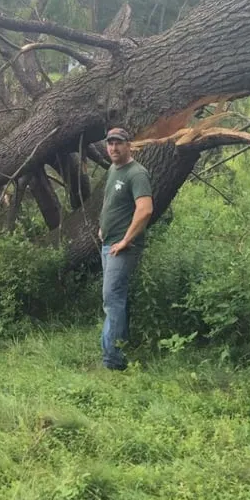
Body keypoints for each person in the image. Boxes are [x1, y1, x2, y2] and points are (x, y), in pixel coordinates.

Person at [97, 127, 153, 370]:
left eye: (118, 143)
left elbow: (145, 209)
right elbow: (110, 202)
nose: (113, 148)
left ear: (129, 145)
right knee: (116, 299)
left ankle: (113, 358)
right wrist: (102, 228)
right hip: (108, 244)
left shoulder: (137, 173)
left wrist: (126, 240)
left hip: (123, 247)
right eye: (110, 143)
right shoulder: (113, 169)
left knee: (111, 299)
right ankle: (119, 347)